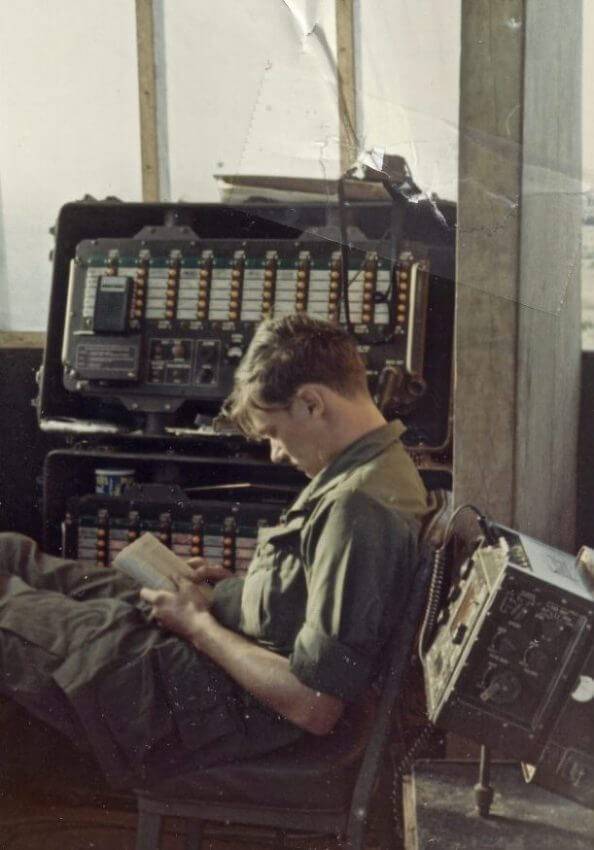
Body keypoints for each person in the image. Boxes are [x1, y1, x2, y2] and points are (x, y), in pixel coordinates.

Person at [0, 314, 429, 791]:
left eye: (272, 433)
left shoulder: (358, 509)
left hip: (218, 700)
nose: (276, 455)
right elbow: (309, 597)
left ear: (311, 403)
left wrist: (198, 626)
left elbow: (315, 704)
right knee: (10, 555)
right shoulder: (375, 467)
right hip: (224, 650)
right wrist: (236, 590)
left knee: (11, 611)